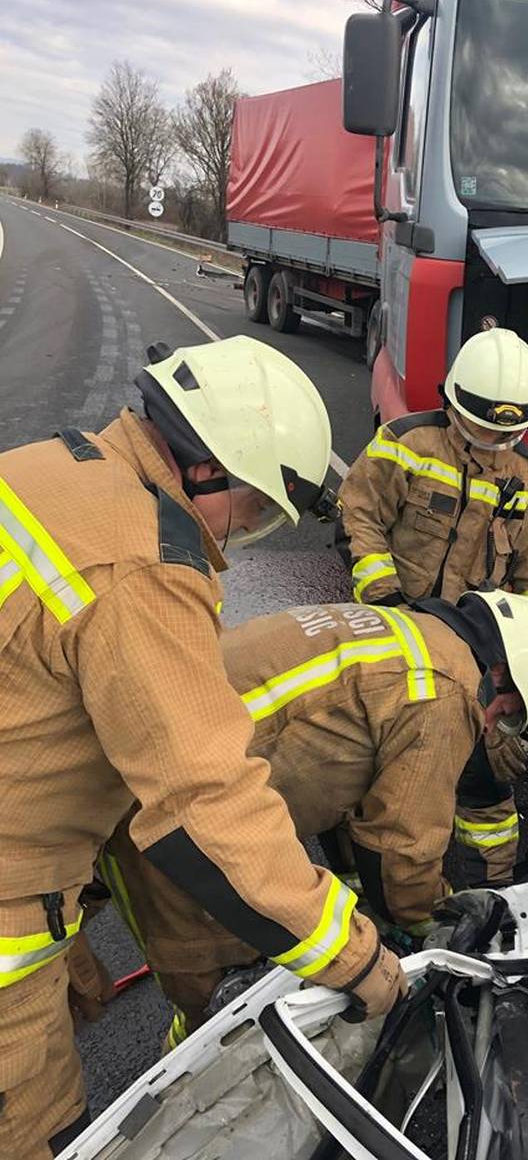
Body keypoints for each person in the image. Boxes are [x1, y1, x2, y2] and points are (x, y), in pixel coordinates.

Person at [0, 335, 404, 1160]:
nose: (242, 538)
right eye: (257, 510)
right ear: (212, 468)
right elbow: (206, 802)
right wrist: (354, 955)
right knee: (38, 1127)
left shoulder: (53, 468)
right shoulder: (142, 565)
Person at [98, 588, 528, 1044]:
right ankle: (198, 1095)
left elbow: (344, 761)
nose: (491, 726)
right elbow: (401, 851)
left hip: (133, 761)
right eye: (505, 712)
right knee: (223, 1003)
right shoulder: (445, 691)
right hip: (171, 812)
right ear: (500, 673)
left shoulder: (409, 632)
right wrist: (438, 925)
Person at [336, 328, 528, 886]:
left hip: (472, 646)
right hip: (393, 625)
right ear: (452, 401)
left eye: (508, 431)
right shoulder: (407, 444)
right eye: (485, 426)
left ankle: (496, 890)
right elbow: (358, 517)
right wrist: (385, 595)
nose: (495, 441)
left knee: (484, 771)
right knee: (375, 757)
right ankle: (363, 877)